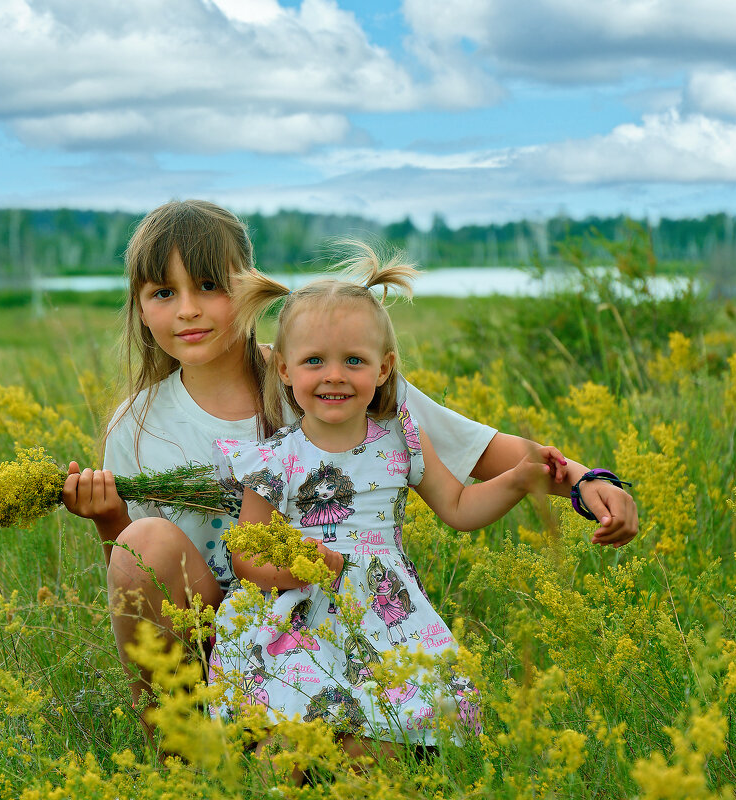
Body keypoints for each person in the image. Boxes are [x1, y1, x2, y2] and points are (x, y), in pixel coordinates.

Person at [60, 199, 637, 738]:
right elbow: (136, 585)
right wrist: (109, 522)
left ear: (250, 289)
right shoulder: (138, 425)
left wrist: (588, 482)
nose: (187, 309)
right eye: (163, 292)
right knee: (145, 538)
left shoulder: (325, 378)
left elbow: (484, 451)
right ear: (139, 305)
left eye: (209, 286)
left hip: (343, 622)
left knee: (365, 751)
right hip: (223, 633)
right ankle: (183, 747)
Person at [207, 251, 568, 758]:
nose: (335, 375)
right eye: (315, 361)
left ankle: (361, 761)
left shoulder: (402, 441)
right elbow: (244, 555)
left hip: (384, 608)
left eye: (354, 360)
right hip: (295, 610)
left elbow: (460, 507)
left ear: (384, 369)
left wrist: (518, 480)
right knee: (284, 723)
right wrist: (293, 568)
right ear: (285, 370)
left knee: (413, 724)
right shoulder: (272, 460)